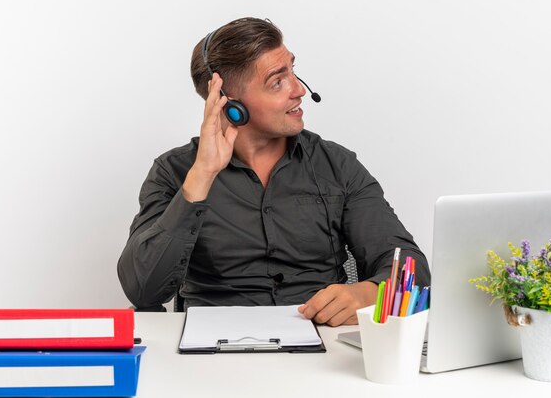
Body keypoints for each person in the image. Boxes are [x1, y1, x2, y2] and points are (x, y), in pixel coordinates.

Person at [117, 17, 430, 326]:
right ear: (229, 104)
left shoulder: (335, 165)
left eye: (293, 72)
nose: (298, 91)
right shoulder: (174, 172)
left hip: (322, 343)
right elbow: (144, 292)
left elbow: (412, 268)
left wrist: (369, 293)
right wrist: (201, 177)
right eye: (277, 81)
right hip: (214, 351)